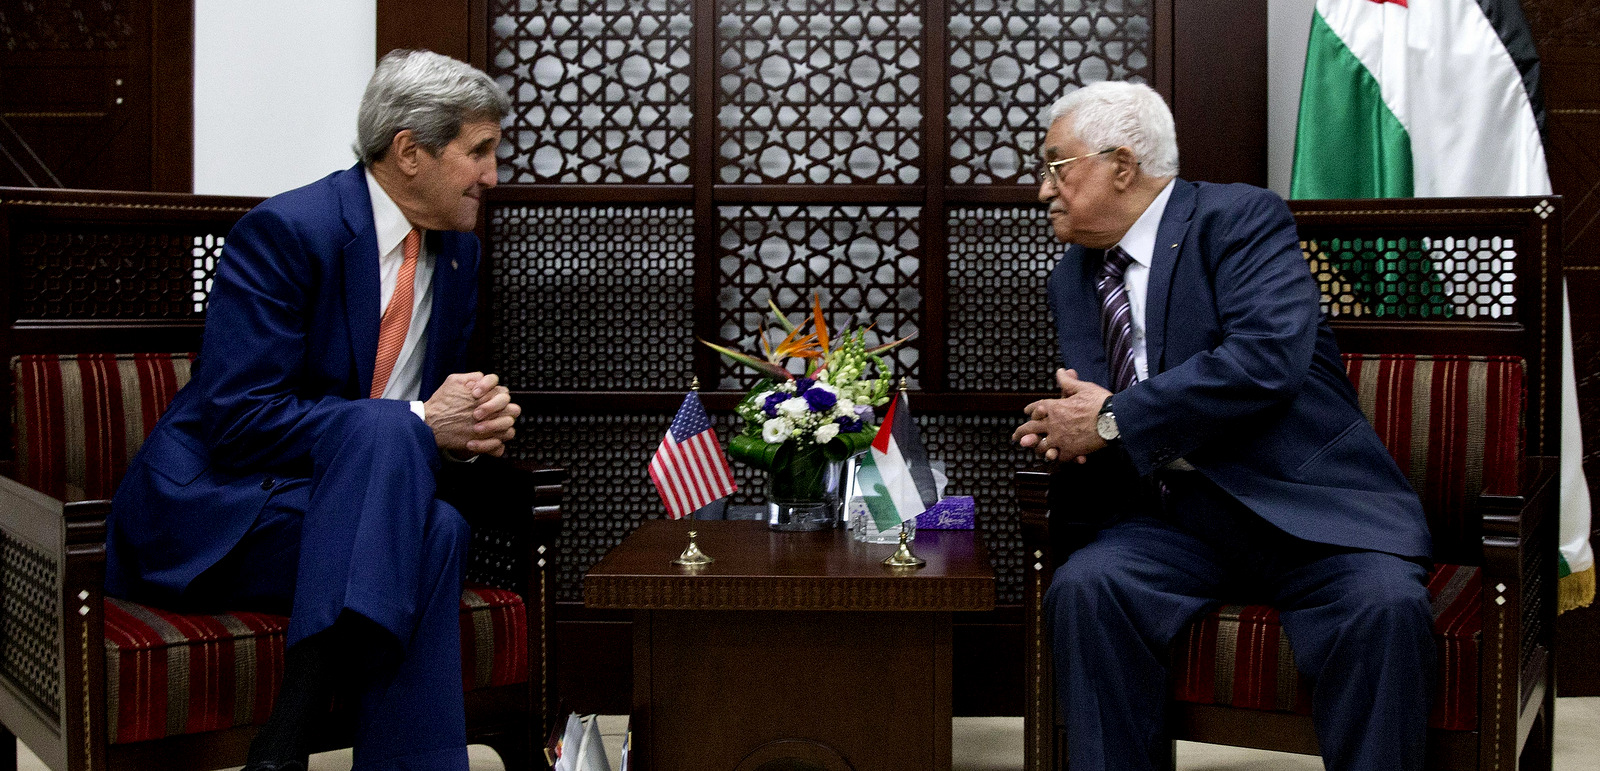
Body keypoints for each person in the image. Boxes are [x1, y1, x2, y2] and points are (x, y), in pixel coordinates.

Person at [104, 50, 519, 771]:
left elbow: (428, 416)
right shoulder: (288, 233)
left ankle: (291, 738)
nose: (493, 175)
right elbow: (240, 419)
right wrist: (421, 421)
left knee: (435, 511)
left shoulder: (459, 258)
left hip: (347, 514)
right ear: (409, 152)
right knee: (406, 465)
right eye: (478, 151)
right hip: (224, 513)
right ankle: (326, 736)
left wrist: (467, 427)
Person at [1011, 81, 1435, 771]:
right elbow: (1099, 404)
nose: (1043, 190)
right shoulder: (1073, 276)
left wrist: (1114, 418)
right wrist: (1067, 426)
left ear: (1121, 165)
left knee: (1385, 610)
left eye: (1057, 166)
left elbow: (1266, 358)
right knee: (1087, 587)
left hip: (1309, 510)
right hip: (1178, 519)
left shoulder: (1238, 218)